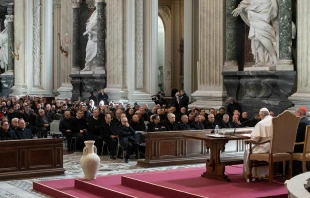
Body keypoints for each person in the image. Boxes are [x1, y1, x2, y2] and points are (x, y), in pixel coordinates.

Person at [232, 0, 279, 67]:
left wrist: (264, 12)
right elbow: (245, 3)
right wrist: (240, 8)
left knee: (262, 36)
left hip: (263, 18)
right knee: (256, 38)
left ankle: (274, 57)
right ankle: (261, 60)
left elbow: (274, 11)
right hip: (254, 20)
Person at [243, 107, 273, 182]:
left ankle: (253, 174)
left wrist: (248, 140)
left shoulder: (261, 123)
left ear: (261, 115)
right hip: (275, 147)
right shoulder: (276, 121)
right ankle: (266, 173)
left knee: (247, 152)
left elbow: (255, 139)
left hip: (265, 147)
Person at [293, 106, 310, 176]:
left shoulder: (301, 123)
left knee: (285, 150)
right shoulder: (308, 121)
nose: (294, 115)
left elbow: (296, 137)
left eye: (295, 113)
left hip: (301, 148)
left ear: (299, 114)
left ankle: (288, 173)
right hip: (307, 148)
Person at [82, 3, 98, 71]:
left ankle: (94, 66)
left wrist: (90, 28)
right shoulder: (94, 12)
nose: (95, 3)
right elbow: (90, 21)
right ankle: (88, 65)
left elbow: (97, 21)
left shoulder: (99, 12)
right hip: (91, 36)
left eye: (96, 2)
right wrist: (88, 27)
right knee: (88, 50)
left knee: (95, 51)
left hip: (96, 36)